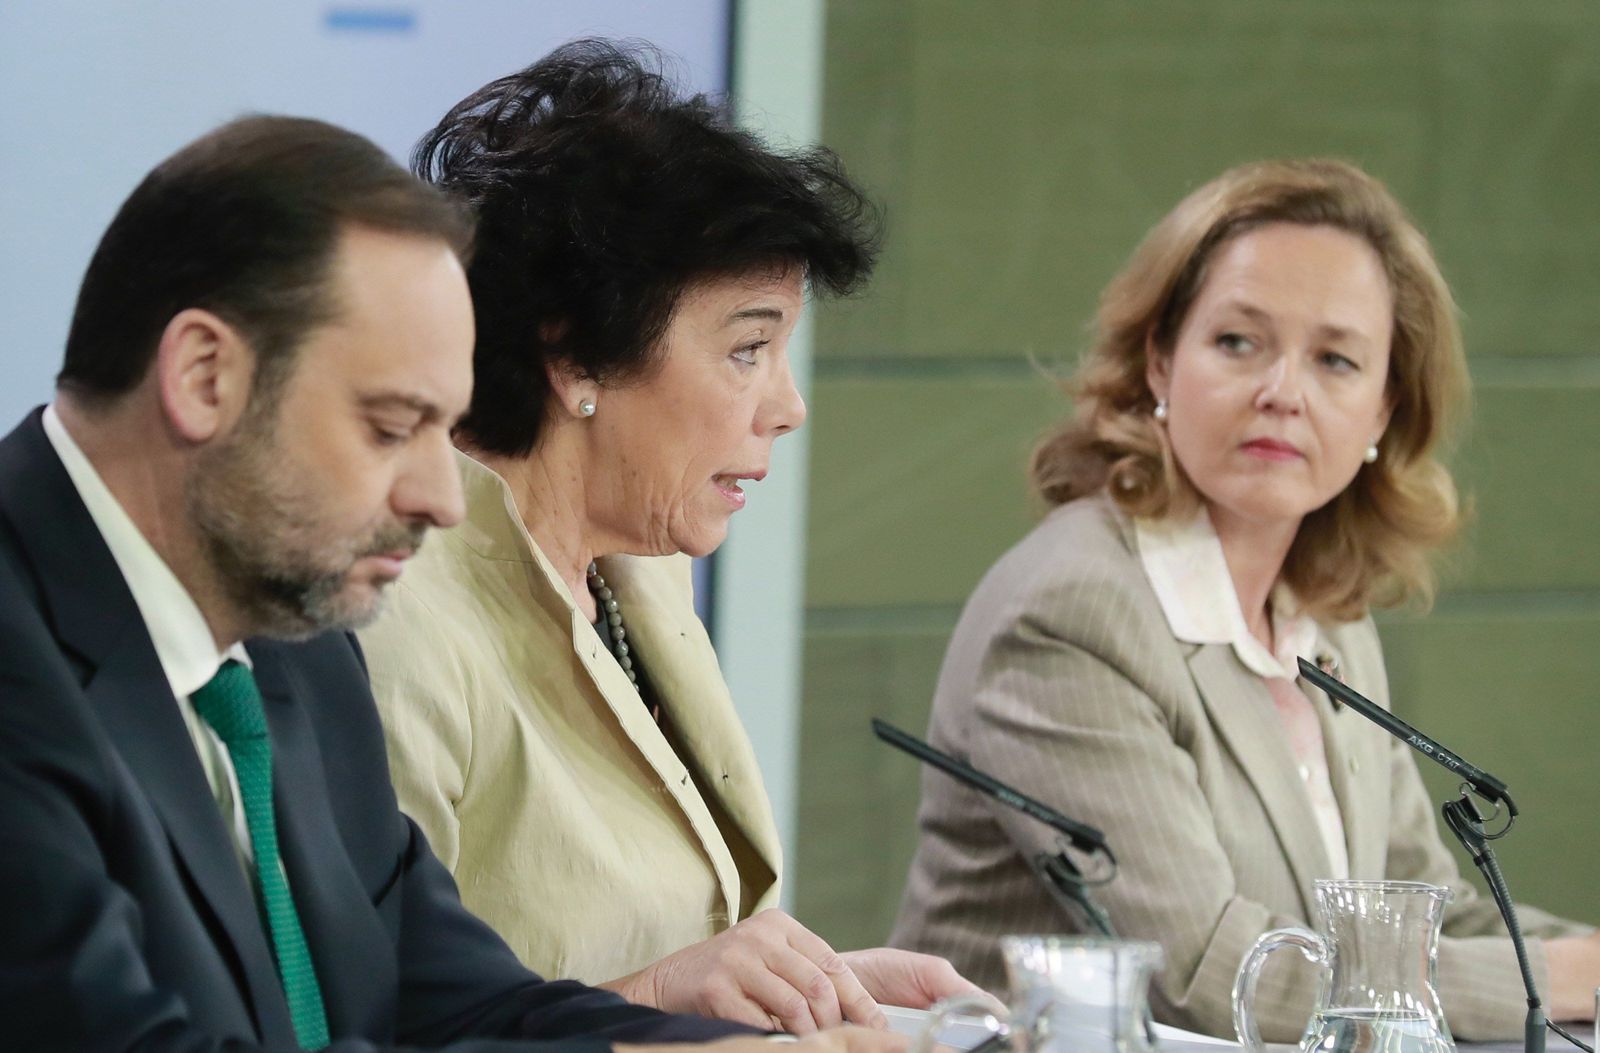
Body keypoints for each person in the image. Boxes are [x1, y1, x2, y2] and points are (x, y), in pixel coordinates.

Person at [0, 113, 902, 1053]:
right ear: (203, 375)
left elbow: (465, 1006)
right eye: (393, 428)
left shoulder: (297, 654)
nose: (441, 497)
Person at [888, 159, 1600, 1042]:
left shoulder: (1327, 613)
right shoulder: (1073, 612)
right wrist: (1561, 980)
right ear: (1160, 359)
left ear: (1383, 412)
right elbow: (1210, 972)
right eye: (1238, 342)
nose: (1282, 392)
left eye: (1335, 359)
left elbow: (1421, 912)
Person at [357, 40, 982, 1035]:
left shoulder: (641, 576)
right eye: (747, 348)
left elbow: (676, 950)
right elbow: (358, 1026)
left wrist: (815, 991)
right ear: (573, 354)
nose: (787, 406)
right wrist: (649, 1005)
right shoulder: (394, 617)